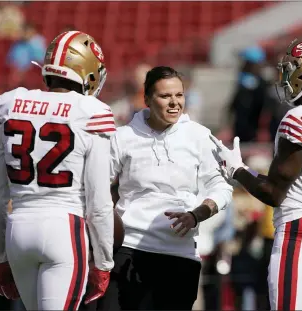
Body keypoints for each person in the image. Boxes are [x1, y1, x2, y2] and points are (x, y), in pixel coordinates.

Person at [210, 33, 302, 310]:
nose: (287, 77)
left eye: (294, 69)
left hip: (299, 231)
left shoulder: (301, 119)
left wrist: (237, 169)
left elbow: (273, 194)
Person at [91, 66, 233, 311]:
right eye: (165, 96)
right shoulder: (122, 136)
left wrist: (196, 215)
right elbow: (97, 185)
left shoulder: (199, 136)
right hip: (129, 250)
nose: (174, 103)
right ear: (146, 99)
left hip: (180, 255)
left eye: (179, 95)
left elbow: (221, 188)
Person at [0, 30, 115, 310]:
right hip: (64, 227)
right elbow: (99, 203)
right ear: (88, 72)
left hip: (18, 227)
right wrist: (104, 262)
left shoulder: (11, 104)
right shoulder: (90, 111)